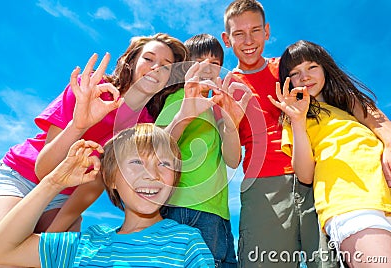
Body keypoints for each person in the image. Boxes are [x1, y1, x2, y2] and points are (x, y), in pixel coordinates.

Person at [0, 32, 188, 262]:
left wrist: (49, 243)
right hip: (23, 176)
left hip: (66, 196)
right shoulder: (93, 88)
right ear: (132, 61)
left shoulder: (144, 125)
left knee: (44, 258)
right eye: (149, 59)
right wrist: (78, 125)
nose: (155, 68)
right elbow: (44, 170)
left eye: (165, 66)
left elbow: (95, 184)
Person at [221, 1, 391, 267]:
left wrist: (388, 142)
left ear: (267, 31)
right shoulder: (227, 87)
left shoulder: (291, 69)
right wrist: (230, 123)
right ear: (227, 39)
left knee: (328, 262)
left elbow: (359, 105)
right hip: (265, 187)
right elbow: (231, 159)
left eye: (255, 30)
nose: (249, 40)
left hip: (322, 179)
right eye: (239, 34)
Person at [0, 123, 215, 267]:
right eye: (137, 162)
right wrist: (53, 182)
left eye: (164, 163)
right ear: (111, 179)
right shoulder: (83, 245)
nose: (152, 174)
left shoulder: (186, 242)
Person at [269, 39, 391, 268]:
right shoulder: (295, 117)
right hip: (351, 200)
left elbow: (380, 122)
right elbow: (305, 174)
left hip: (384, 185)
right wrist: (296, 120)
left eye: (312, 67)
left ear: (325, 67)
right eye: (295, 73)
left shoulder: (347, 101)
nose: (305, 76)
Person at [156, 33, 251, 267]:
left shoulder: (217, 109)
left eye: (216, 63)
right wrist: (184, 116)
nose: (208, 68)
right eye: (200, 61)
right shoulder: (178, 99)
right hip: (185, 207)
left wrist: (231, 122)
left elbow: (232, 160)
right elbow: (155, 149)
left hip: (219, 212)